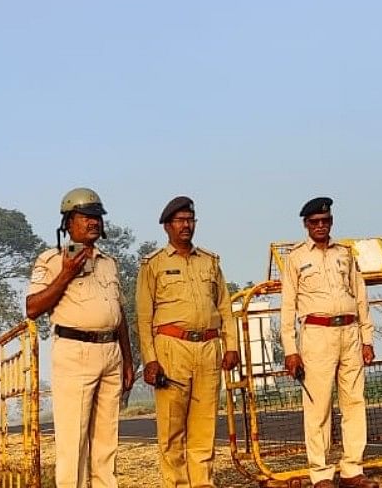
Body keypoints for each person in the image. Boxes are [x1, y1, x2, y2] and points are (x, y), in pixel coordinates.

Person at [26, 187, 136, 488]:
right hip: (75, 351)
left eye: (97, 217)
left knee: (106, 440)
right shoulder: (51, 260)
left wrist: (128, 360)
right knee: (73, 441)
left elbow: (119, 314)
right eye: (86, 216)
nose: (93, 222)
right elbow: (32, 308)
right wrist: (66, 274)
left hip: (110, 351)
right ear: (68, 222)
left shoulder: (109, 262)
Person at [135, 196, 240, 488]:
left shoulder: (210, 261)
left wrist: (231, 346)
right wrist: (150, 359)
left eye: (190, 220)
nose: (186, 225)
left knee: (204, 425)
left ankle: (203, 483)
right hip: (171, 348)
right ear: (167, 226)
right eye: (180, 220)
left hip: (208, 348)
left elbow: (224, 307)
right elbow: (144, 317)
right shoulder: (153, 264)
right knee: (171, 428)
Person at [280, 197, 379, 488]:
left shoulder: (345, 254)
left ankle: (352, 470)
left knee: (354, 403)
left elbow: (360, 298)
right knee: (318, 407)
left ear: (331, 222)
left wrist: (367, 338)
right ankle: (321, 473)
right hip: (316, 334)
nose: (320, 226)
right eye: (314, 222)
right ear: (306, 225)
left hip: (349, 332)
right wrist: (290, 350)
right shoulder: (296, 257)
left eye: (325, 221)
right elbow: (287, 307)